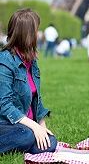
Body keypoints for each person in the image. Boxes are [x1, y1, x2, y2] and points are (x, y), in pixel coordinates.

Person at [0, 8, 57, 154]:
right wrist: (34, 127)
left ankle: (22, 144)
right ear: (28, 34)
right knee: (26, 136)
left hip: (24, 126)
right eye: (36, 30)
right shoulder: (5, 61)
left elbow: (36, 99)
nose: (39, 34)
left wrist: (41, 125)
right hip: (6, 124)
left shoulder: (31, 61)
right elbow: (4, 105)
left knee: (50, 141)